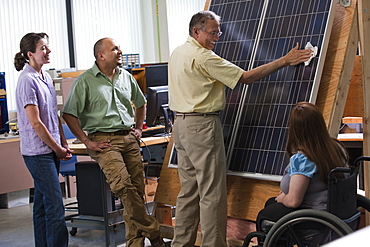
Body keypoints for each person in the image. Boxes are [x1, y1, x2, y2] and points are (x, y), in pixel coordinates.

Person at [168, 10, 313, 247]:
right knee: (212, 194)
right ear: (196, 31)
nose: (217, 37)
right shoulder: (204, 57)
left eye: (218, 32)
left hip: (181, 127)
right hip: (202, 127)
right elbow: (245, 78)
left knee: (188, 193)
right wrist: (284, 60)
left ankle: (180, 244)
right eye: (212, 33)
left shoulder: (178, 52)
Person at [62, 37, 164, 247]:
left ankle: (134, 243)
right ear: (101, 55)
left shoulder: (126, 77)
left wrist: (138, 127)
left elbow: (141, 103)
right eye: (114, 49)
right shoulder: (85, 81)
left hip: (129, 138)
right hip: (104, 141)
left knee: (136, 193)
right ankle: (154, 232)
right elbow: (68, 114)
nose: (120, 51)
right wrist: (86, 141)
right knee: (123, 187)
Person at [14, 32, 72, 247]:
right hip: (38, 153)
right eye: (43, 49)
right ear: (30, 54)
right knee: (56, 207)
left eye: (47, 47)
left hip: (51, 149)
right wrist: (57, 148)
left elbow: (53, 115)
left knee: (41, 206)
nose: (48, 51)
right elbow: (36, 123)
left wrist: (63, 143)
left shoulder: (45, 77)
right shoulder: (27, 81)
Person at [255, 101, 348, 231]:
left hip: (314, 215)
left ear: (295, 129)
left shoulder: (304, 159)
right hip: (336, 209)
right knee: (271, 203)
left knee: (264, 215)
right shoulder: (336, 147)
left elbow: (294, 201)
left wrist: (284, 198)